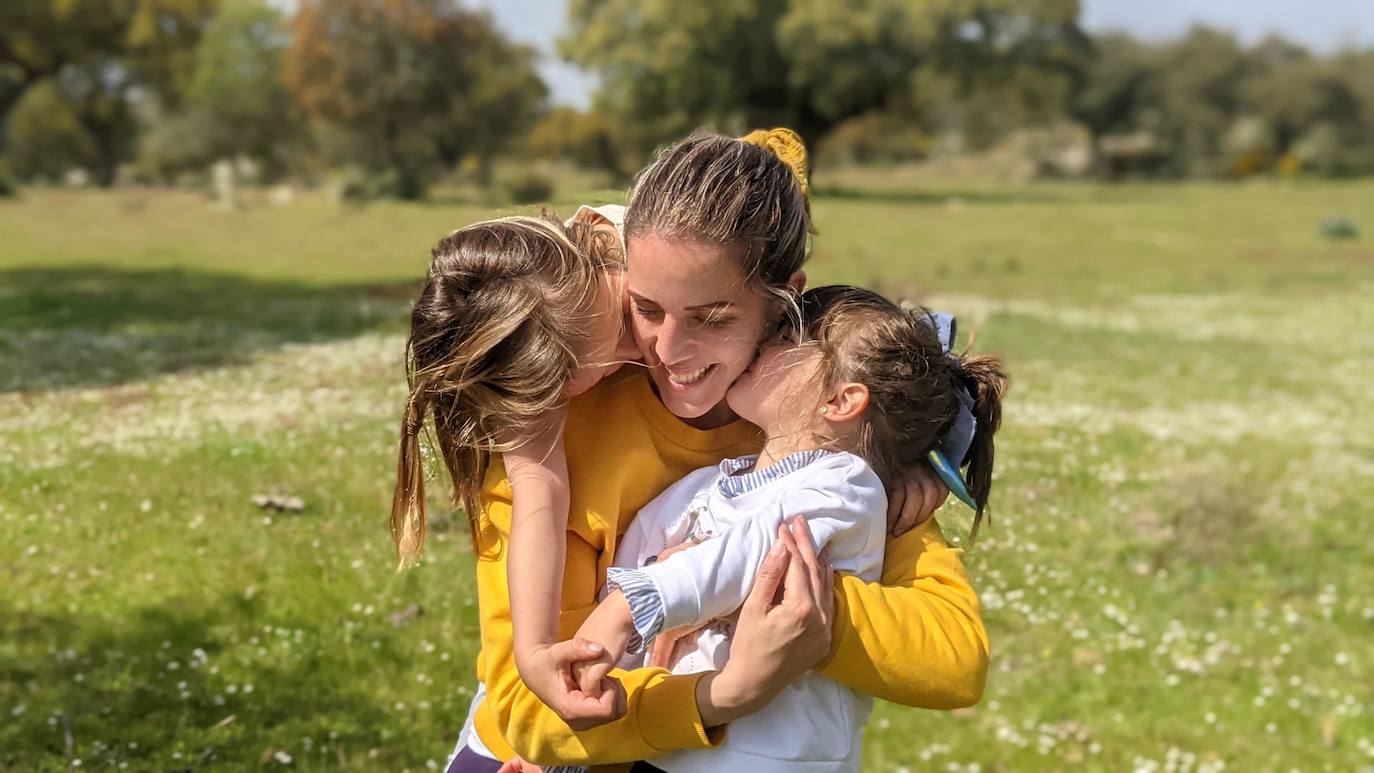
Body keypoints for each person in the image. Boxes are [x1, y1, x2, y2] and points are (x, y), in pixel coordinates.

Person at [441, 129, 989, 772]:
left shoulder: (822, 430)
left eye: (714, 317)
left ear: (784, 297)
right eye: (645, 310)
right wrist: (719, 689)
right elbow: (530, 711)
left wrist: (783, 603)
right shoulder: (553, 420)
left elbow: (954, 660)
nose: (669, 352)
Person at [568, 285, 1007, 772]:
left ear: (841, 400)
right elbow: (635, 574)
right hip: (675, 748)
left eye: (787, 335)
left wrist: (633, 606)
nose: (762, 342)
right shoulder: (708, 484)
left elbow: (759, 552)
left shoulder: (845, 483)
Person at [390, 210, 640, 721]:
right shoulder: (537, 346)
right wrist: (534, 651)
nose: (649, 346)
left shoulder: (647, 236)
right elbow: (539, 487)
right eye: (620, 345)